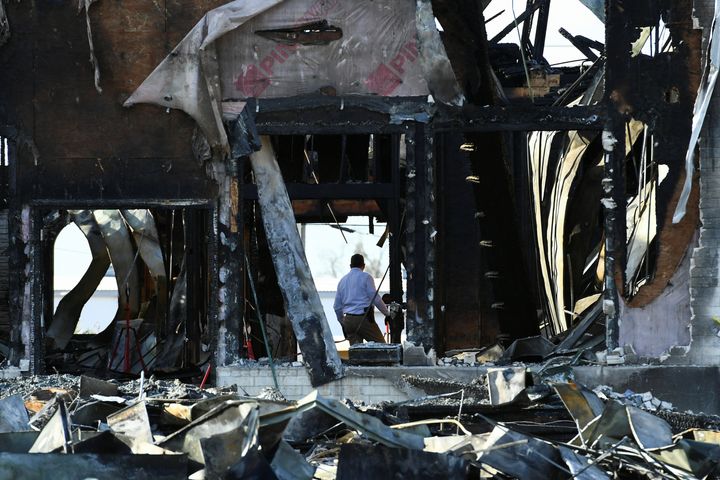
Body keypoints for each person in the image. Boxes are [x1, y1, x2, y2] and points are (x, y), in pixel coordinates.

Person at [333, 254, 390, 345]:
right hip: (364, 319)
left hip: (349, 320)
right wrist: (387, 313)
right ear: (363, 265)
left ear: (350, 266)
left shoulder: (342, 281)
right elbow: (375, 298)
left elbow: (336, 307)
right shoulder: (366, 277)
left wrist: (343, 322)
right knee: (382, 347)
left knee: (356, 352)